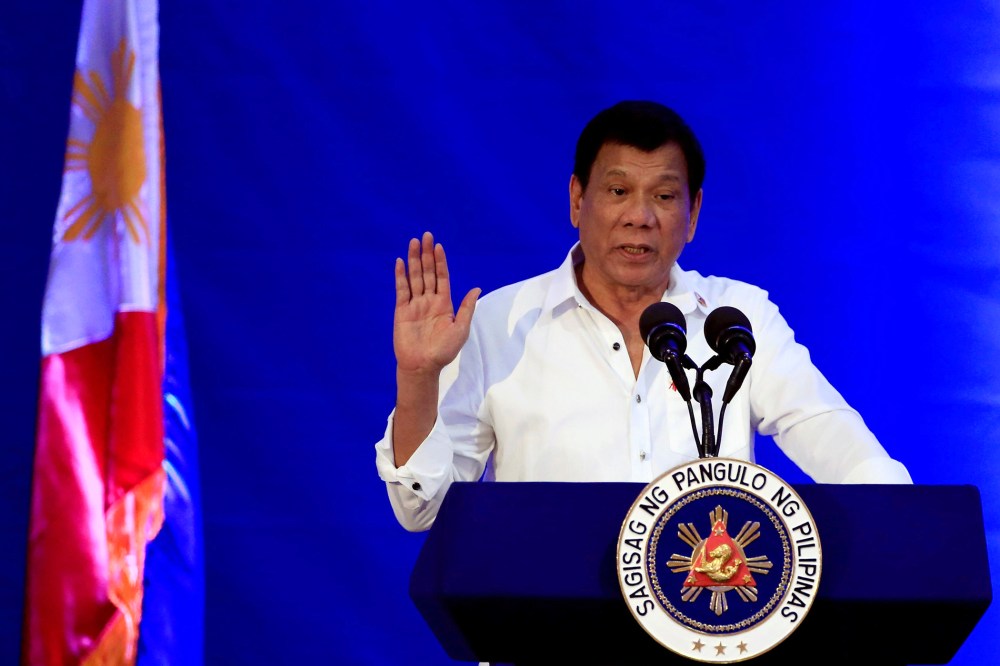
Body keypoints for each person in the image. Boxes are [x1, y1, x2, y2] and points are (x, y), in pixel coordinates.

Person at [375, 100, 912, 532]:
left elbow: (830, 435)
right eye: (617, 191)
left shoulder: (736, 320)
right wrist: (418, 378)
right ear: (576, 199)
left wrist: (911, 525)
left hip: (710, 628)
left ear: (692, 213)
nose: (640, 217)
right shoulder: (499, 324)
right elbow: (421, 509)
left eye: (663, 195)